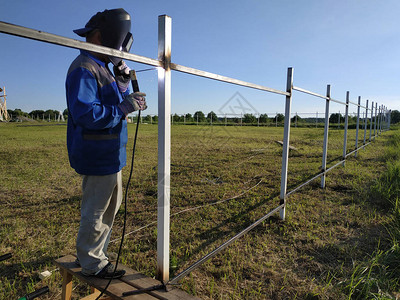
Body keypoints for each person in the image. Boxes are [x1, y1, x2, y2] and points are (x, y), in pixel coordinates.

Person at [65, 8, 147, 279]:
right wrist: (124, 107)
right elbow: (86, 113)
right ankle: (92, 263)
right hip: (97, 154)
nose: (120, 51)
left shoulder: (102, 68)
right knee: (97, 212)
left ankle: (93, 254)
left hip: (111, 155)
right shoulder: (84, 68)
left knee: (108, 209)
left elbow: (110, 101)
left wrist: (122, 85)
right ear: (100, 36)